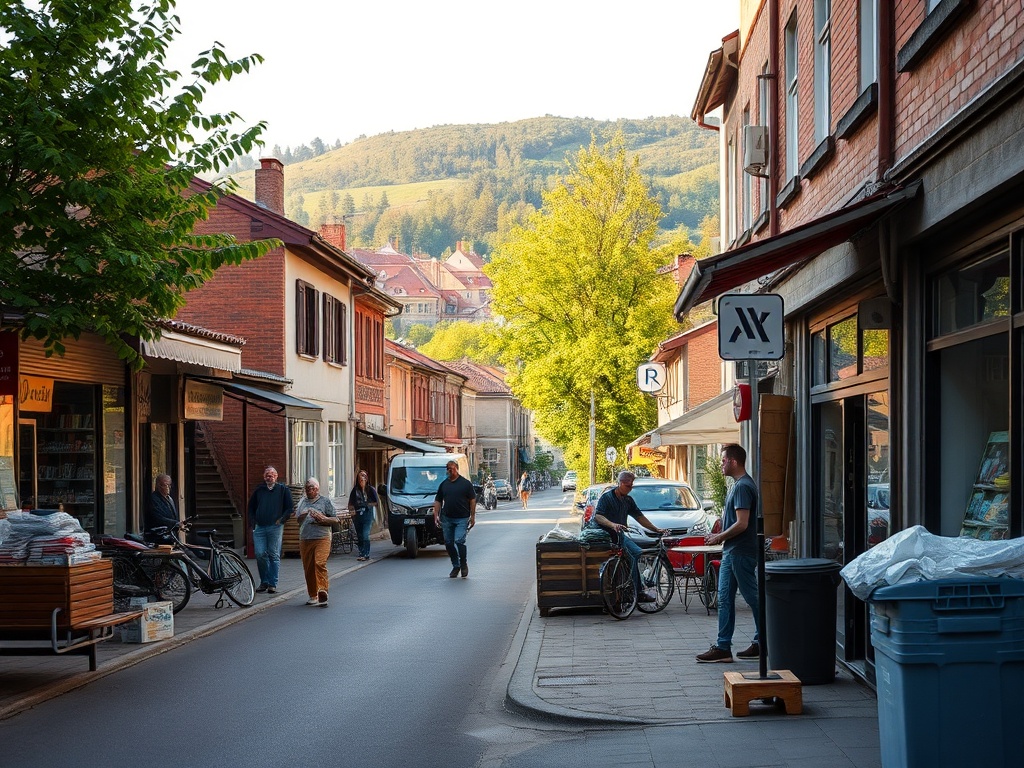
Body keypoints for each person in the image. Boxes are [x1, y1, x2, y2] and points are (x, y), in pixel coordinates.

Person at [696, 444, 761, 663]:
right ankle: (724, 647)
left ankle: (764, 640)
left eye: (723, 460)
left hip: (740, 552)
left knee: (752, 598)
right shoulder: (739, 485)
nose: (721, 464)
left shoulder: (743, 487)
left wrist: (719, 537)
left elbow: (742, 524)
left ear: (733, 461)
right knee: (724, 599)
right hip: (734, 551)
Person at [591, 471, 666, 602]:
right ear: (620, 483)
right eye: (627, 486)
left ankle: (632, 585)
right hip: (607, 535)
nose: (630, 489)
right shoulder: (607, 498)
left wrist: (655, 529)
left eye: (631, 486)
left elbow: (639, 517)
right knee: (633, 554)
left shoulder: (628, 500)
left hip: (619, 535)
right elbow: (598, 516)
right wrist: (612, 524)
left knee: (636, 552)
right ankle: (636, 591)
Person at [248, 465, 294, 594]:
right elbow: (250, 507)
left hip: (275, 527)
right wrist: (253, 521)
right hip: (260, 527)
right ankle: (264, 581)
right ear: (264, 477)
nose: (270, 477)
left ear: (276, 476)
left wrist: (281, 520)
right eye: (267, 474)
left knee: (273, 554)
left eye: (272, 474)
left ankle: (272, 583)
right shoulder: (259, 490)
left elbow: (289, 508)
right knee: (260, 554)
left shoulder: (283, 490)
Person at [296, 477, 338, 607]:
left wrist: (323, 518)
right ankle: (313, 595)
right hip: (305, 538)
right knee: (308, 567)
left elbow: (336, 519)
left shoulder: (325, 501)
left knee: (319, 562)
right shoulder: (302, 502)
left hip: (322, 537)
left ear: (317, 489)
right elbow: (298, 520)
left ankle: (322, 591)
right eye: (307, 488)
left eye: (312, 488)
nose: (309, 490)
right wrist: (302, 515)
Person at [432, 459, 476, 578]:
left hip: (462, 518)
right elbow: (438, 500)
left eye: (451, 468)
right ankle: (455, 566)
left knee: (459, 541)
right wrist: (436, 515)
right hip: (447, 518)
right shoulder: (444, 484)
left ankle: (463, 563)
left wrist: (472, 516)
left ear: (456, 468)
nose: (449, 470)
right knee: (449, 543)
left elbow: (472, 500)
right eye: (447, 468)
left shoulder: (466, 484)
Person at [347, 470, 379, 561]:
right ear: (358, 479)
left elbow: (376, 502)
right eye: (361, 476)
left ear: (367, 478)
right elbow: (350, 503)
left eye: (364, 476)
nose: (362, 478)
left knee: (365, 534)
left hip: (367, 514)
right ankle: (361, 552)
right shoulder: (355, 490)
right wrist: (352, 511)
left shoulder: (370, 489)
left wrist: (367, 504)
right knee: (360, 535)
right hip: (357, 515)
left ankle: (366, 554)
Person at [145, 474, 179, 539]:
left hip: (171, 534)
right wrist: (175, 523)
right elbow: (157, 517)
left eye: (169, 485)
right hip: (159, 535)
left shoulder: (170, 498)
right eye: (165, 485)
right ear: (159, 485)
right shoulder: (153, 498)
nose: (168, 487)